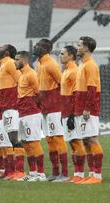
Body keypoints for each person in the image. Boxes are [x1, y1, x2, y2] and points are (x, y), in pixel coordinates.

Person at [34, 39, 68, 181]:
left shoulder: (51, 64)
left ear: (45, 48)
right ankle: (55, 172)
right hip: (45, 108)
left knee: (58, 138)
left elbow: (62, 83)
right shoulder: (39, 64)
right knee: (49, 140)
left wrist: (59, 104)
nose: (35, 47)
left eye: (38, 46)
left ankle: (64, 174)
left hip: (54, 107)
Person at [73, 36, 103, 184]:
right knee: (85, 141)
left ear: (86, 48)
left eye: (79, 45)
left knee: (91, 139)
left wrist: (87, 108)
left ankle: (97, 176)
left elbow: (92, 89)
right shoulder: (83, 65)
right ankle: (91, 173)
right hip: (80, 109)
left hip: (88, 110)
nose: (77, 47)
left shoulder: (90, 65)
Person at [14, 51, 46, 181]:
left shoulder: (31, 74)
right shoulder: (22, 76)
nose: (14, 62)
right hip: (22, 113)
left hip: (31, 114)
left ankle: (41, 174)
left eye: (16, 59)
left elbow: (39, 94)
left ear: (24, 60)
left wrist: (37, 109)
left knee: (33, 142)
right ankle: (32, 173)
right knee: (26, 143)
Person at [0, 44, 25, 180]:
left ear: (7, 52)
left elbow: (22, 79)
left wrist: (17, 101)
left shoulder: (10, 64)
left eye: (0, 47)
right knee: (9, 139)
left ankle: (19, 172)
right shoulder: (3, 65)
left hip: (12, 106)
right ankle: (11, 171)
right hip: (6, 107)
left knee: (14, 138)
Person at [59, 45, 86, 183]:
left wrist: (71, 115)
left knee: (77, 141)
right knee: (72, 143)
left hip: (72, 114)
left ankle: (80, 175)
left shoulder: (74, 71)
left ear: (71, 56)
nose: (60, 55)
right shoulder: (66, 70)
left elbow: (76, 94)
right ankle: (77, 173)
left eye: (63, 53)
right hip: (65, 113)